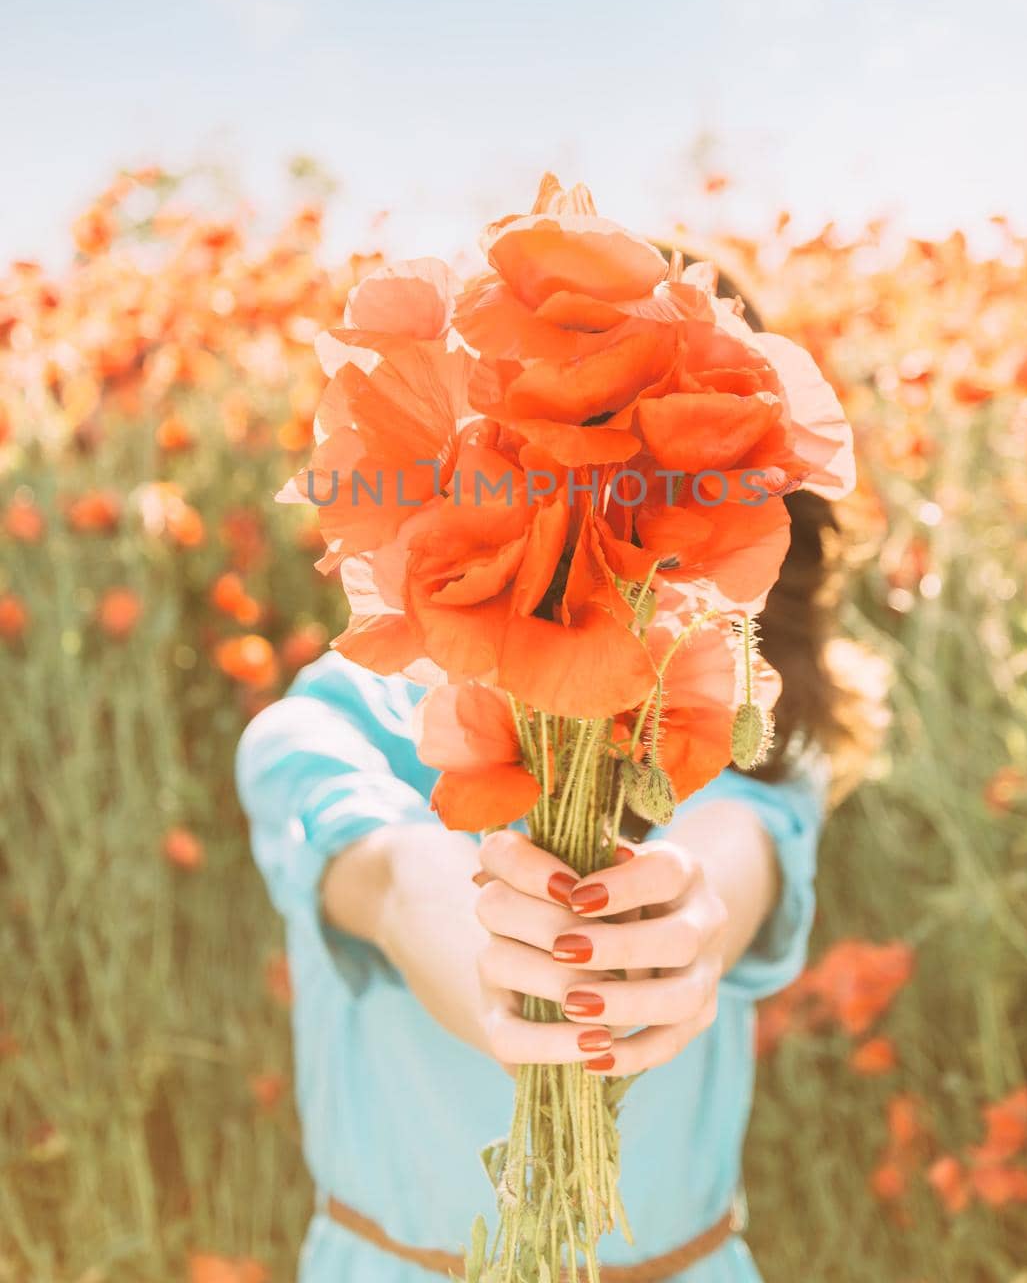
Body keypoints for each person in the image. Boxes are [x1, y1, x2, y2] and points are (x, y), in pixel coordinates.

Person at [236, 271, 877, 1283]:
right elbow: (392, 874)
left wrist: (672, 929)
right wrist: (496, 957)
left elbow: (732, 854)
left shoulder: (748, 718)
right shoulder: (347, 709)